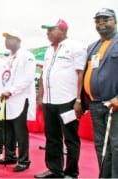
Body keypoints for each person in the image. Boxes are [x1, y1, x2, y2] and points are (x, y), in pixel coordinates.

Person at [35, 19, 87, 178]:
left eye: (51, 30)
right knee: (52, 137)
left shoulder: (75, 47)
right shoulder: (48, 51)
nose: (48, 33)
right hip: (49, 101)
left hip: (68, 100)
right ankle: (54, 170)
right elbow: (45, 74)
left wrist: (78, 100)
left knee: (70, 138)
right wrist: (40, 95)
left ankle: (71, 172)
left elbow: (81, 74)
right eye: (47, 30)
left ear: (63, 30)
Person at [82, 8, 118, 178]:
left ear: (115, 21)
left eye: (106, 19)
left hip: (114, 105)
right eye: (98, 20)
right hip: (95, 104)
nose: (101, 23)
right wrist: (81, 101)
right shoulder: (92, 46)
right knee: (100, 144)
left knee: (116, 145)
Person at [0, 30, 36, 173]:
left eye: (9, 39)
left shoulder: (27, 56)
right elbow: (5, 78)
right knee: (7, 130)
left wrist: (12, 91)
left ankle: (24, 160)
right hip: (6, 100)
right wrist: (1, 92)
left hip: (19, 98)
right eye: (5, 39)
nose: (6, 42)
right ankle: (10, 155)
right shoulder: (9, 58)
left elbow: (28, 78)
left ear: (18, 40)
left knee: (20, 131)